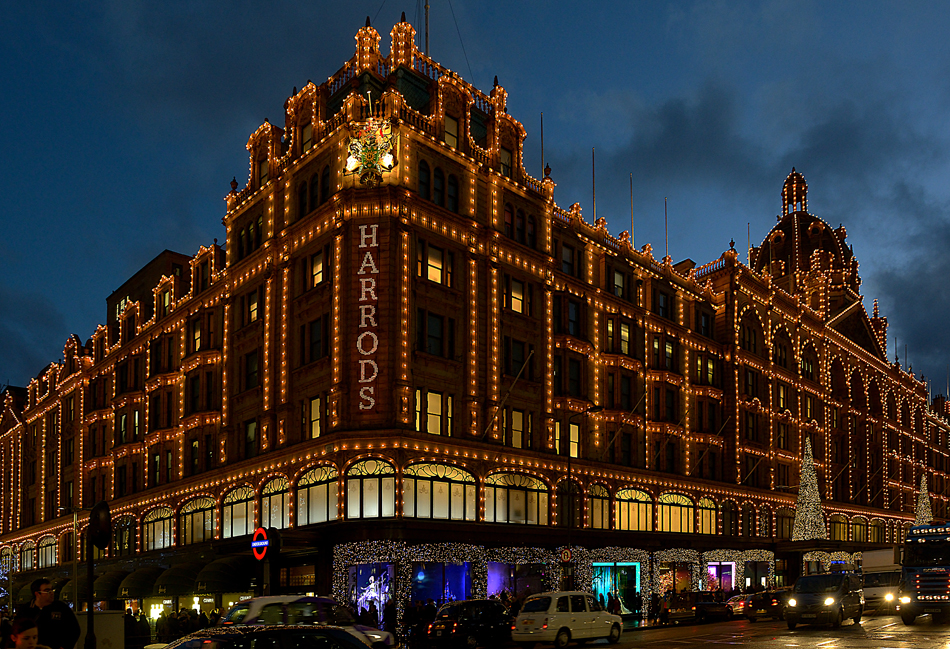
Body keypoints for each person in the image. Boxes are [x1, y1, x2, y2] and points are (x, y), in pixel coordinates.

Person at [15, 579, 79, 649]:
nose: (51, 593)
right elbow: (17, 629)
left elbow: (74, 629)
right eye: (47, 591)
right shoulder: (26, 610)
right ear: (37, 594)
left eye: (52, 590)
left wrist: (65, 646)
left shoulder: (61, 608)